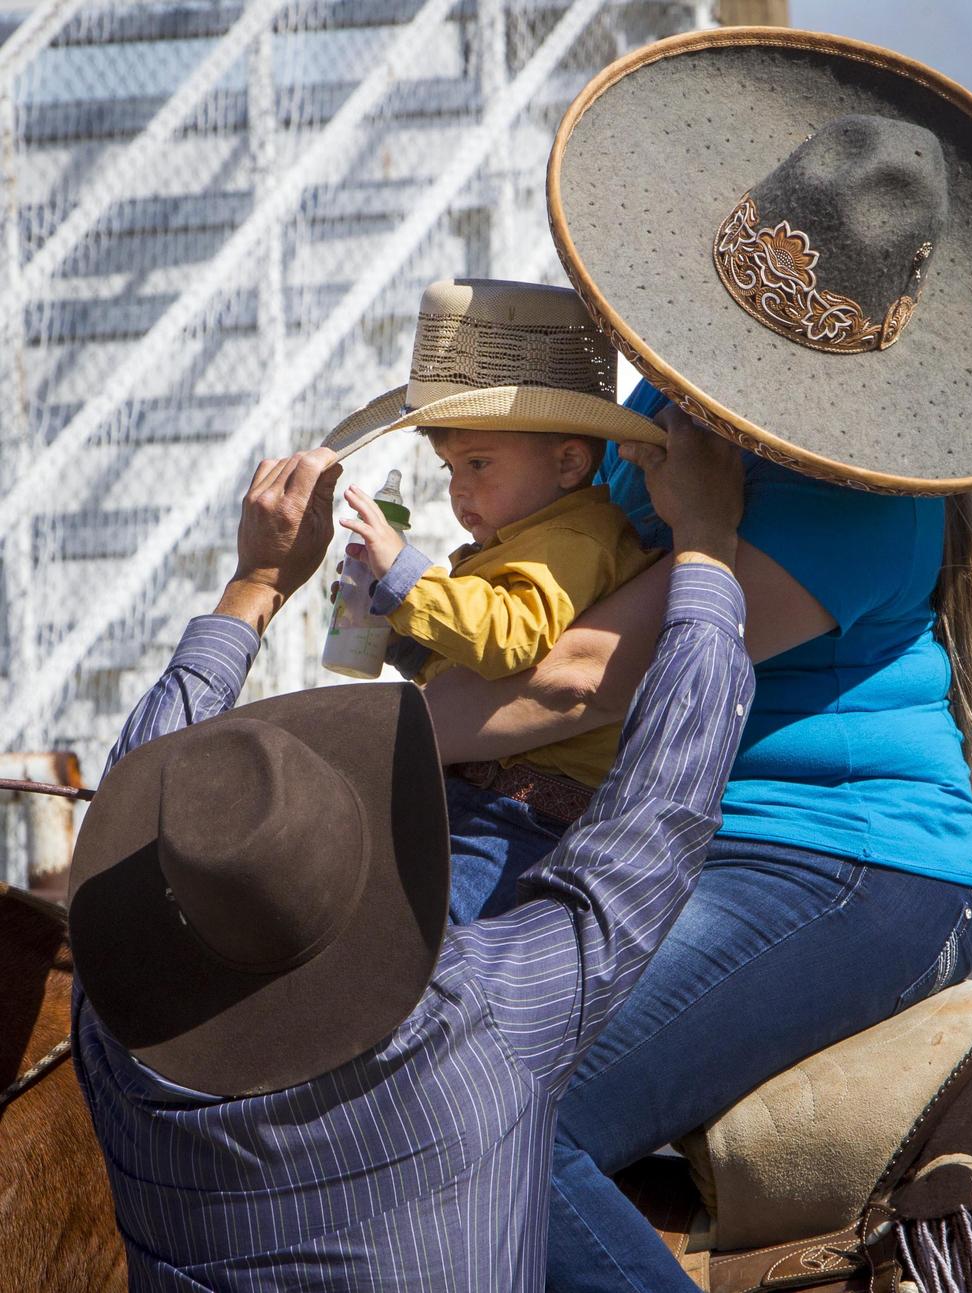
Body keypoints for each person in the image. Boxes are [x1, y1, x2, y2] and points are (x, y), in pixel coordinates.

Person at [419, 30, 972, 1292]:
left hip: (845, 864)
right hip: (684, 844)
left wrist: (347, 744)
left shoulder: (853, 495)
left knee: (500, 1108)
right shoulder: (654, 422)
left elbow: (585, 678)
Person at [68, 426, 754, 1292]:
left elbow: (130, 806)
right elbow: (658, 814)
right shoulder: (481, 1024)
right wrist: (706, 545)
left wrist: (257, 581)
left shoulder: (113, 1042)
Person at [327, 277, 663, 921]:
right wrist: (397, 628)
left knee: (425, 939)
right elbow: (471, 658)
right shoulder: (526, 539)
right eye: (452, 469)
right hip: (487, 798)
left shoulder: (572, 538)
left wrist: (405, 576)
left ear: (569, 464)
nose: (459, 491)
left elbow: (509, 637)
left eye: (478, 464)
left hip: (527, 817)